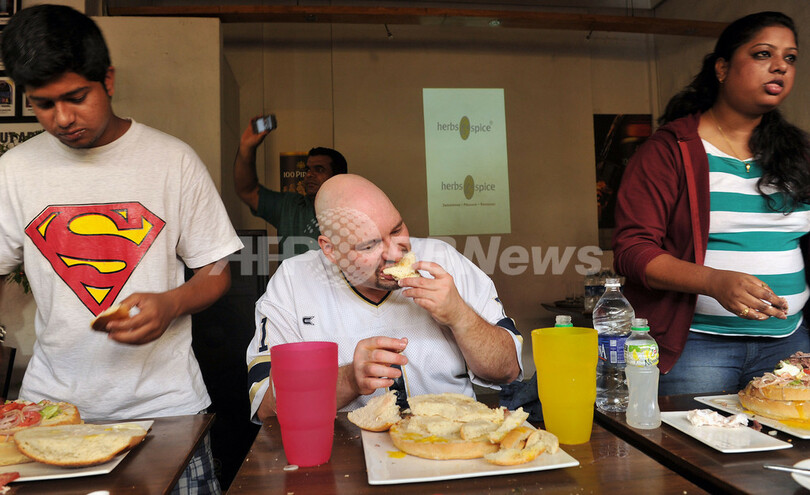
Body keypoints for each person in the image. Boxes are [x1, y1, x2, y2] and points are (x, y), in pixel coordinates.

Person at [0, 5, 243, 493]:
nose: (63, 119)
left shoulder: (173, 161)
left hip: (167, 411)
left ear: (107, 80)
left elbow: (216, 271)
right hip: (52, 415)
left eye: (77, 97)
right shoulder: (15, 171)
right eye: (43, 104)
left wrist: (172, 302)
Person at [613, 11, 810, 396]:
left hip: (790, 340)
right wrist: (713, 281)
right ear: (722, 68)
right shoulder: (670, 150)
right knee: (697, 437)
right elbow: (632, 251)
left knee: (789, 435)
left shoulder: (799, 153)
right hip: (698, 345)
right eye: (763, 54)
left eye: (790, 58)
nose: (780, 67)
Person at [246, 174, 522, 422]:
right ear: (330, 250)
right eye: (369, 245)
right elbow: (266, 406)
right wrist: (348, 379)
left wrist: (460, 316)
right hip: (344, 450)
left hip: (453, 440)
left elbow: (508, 370)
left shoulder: (444, 260)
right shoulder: (294, 281)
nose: (394, 254)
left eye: (397, 230)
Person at [233, 121, 347, 260]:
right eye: (307, 169)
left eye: (319, 169)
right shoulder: (290, 206)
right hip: (290, 276)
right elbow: (247, 191)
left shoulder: (354, 211)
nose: (309, 174)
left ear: (338, 177)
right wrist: (246, 147)